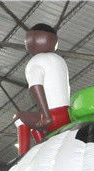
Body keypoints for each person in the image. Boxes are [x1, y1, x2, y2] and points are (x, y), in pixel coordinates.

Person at [15, 23, 71, 154]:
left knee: (18, 117)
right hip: (67, 115)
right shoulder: (60, 60)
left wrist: (46, 117)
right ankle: (43, 144)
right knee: (32, 120)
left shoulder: (36, 61)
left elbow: (36, 86)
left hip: (53, 117)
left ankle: (22, 155)